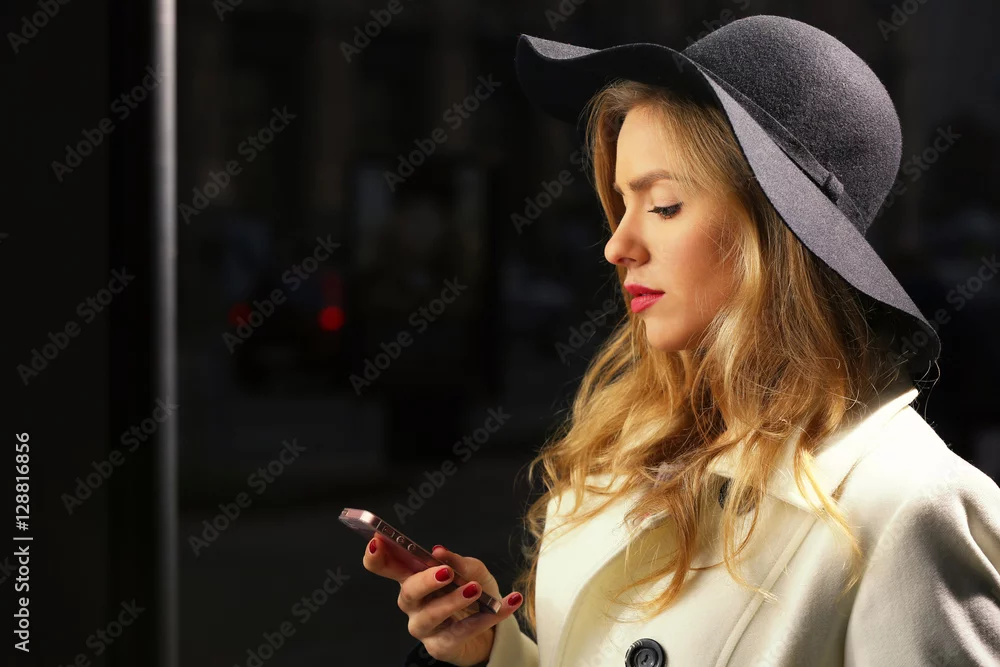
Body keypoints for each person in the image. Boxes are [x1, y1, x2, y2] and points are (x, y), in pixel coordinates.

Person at [363, 15, 1000, 667]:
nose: (617, 245)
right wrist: (486, 652)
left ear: (778, 235)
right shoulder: (621, 449)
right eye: (621, 203)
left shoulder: (908, 507)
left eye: (663, 205)